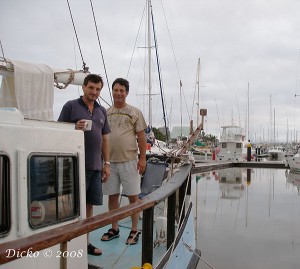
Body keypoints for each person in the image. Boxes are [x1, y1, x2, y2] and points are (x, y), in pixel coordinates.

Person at [58, 74, 110, 256]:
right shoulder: (70, 106)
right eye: (91, 88)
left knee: (89, 206)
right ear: (83, 87)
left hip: (96, 167)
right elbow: (58, 131)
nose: (94, 92)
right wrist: (73, 128)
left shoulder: (102, 111)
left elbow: (105, 138)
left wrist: (107, 163)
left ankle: (85, 243)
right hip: (74, 166)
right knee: (70, 207)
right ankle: (68, 244)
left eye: (97, 89)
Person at [101, 77, 147, 245]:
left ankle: (135, 230)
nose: (119, 93)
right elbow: (101, 137)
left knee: (133, 197)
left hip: (130, 161)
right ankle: (115, 227)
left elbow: (142, 138)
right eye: (116, 90)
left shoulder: (135, 112)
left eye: (122, 90)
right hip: (109, 163)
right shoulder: (105, 112)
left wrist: (143, 158)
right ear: (112, 92)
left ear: (127, 93)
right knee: (112, 197)